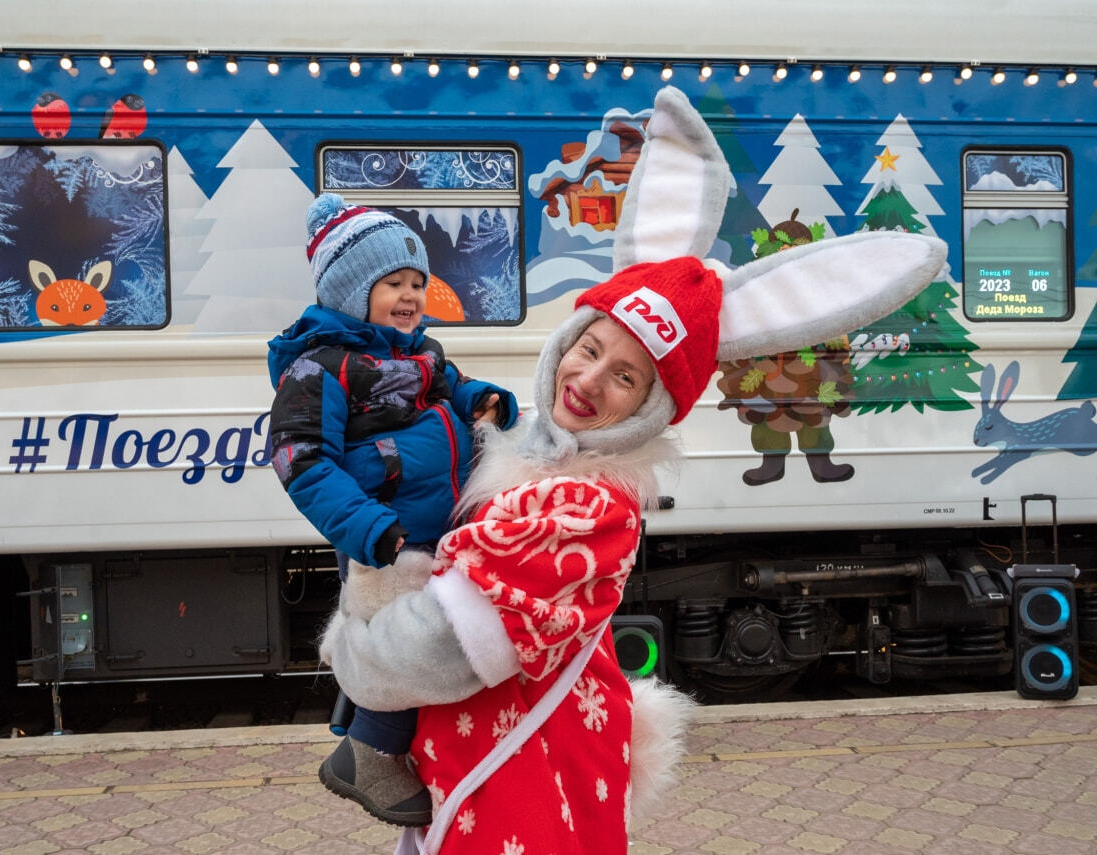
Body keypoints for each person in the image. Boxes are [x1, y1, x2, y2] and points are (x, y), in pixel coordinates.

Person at [317, 86, 947, 855]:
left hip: (516, 780)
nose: (588, 380)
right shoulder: (531, 456)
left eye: (626, 378)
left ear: (652, 409)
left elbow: (432, 653)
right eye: (590, 348)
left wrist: (353, 644)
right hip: (488, 768)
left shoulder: (582, 506)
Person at [267, 193, 517, 827]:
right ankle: (367, 754)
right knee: (400, 650)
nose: (410, 296)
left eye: (417, 283)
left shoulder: (419, 352)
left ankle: (405, 742)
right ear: (351, 290)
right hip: (386, 533)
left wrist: (485, 398)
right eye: (392, 283)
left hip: (439, 525)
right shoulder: (319, 368)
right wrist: (367, 528)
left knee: (429, 639)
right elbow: (300, 459)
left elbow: (452, 389)